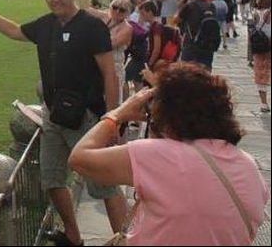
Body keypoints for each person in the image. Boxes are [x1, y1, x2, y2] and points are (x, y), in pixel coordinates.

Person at [0, 0, 128, 247]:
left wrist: (112, 118)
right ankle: (73, 236)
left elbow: (109, 74)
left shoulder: (92, 26)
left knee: (103, 184)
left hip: (87, 116)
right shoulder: (45, 25)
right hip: (53, 115)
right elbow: (14, 31)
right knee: (52, 179)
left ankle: (126, 240)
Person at [69, 63, 269, 246]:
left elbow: (79, 158)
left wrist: (117, 115)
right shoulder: (248, 165)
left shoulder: (158, 155)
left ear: (166, 114)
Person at [177, 0, 221, 70]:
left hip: (191, 45)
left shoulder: (190, 6)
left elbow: (175, 20)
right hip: (208, 45)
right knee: (205, 72)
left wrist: (181, 6)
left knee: (187, 73)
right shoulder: (211, 6)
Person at [250, 0, 271, 113]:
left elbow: (251, 32)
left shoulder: (255, 14)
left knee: (261, 74)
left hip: (260, 47)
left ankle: (264, 103)